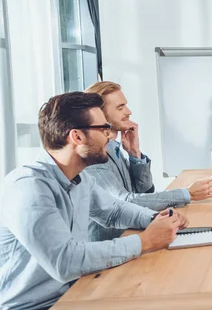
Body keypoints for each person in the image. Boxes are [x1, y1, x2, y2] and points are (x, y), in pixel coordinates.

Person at [0, 92, 187, 309]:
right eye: (103, 129)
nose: (109, 136)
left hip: (77, 292)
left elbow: (114, 211)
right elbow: (65, 262)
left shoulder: (80, 178)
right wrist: (145, 241)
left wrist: (158, 218)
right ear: (77, 137)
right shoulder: (29, 187)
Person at [82, 81, 212, 241]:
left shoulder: (115, 149)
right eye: (120, 108)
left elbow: (145, 191)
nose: (129, 112)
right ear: (99, 114)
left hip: (133, 234)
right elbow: (125, 201)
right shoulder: (95, 156)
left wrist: (135, 154)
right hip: (112, 245)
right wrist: (187, 193)